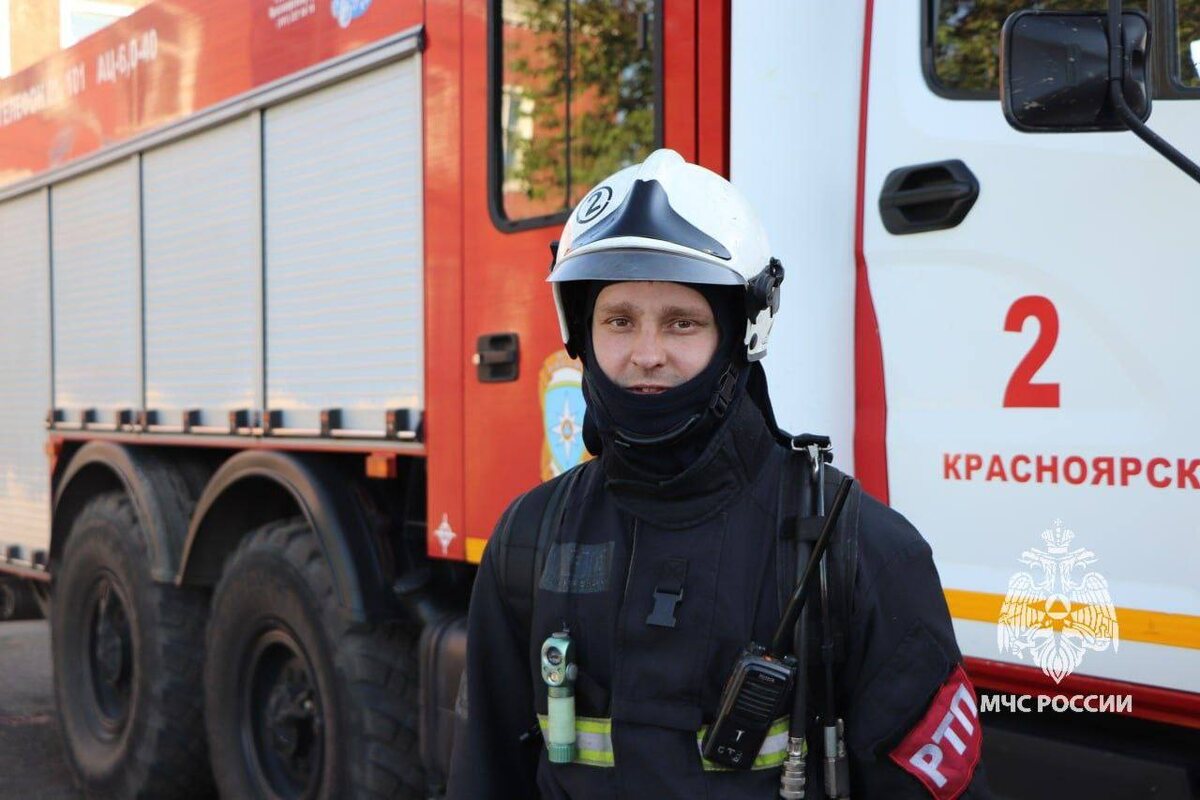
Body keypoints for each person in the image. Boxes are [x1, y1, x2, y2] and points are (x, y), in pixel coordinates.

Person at [446, 149, 990, 799]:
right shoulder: (529, 539)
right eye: (619, 320)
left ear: (741, 333)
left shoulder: (859, 552)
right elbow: (484, 776)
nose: (647, 354)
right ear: (580, 333)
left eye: (683, 322)